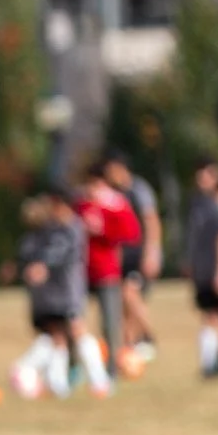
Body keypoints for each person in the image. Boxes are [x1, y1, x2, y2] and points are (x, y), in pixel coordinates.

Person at [7, 191, 109, 399]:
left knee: (77, 329)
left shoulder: (72, 228)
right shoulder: (48, 230)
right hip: (50, 292)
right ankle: (58, 384)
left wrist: (43, 265)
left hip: (68, 289)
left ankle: (99, 381)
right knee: (57, 336)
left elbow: (58, 252)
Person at [76, 162, 142, 378]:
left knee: (110, 324)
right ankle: (77, 366)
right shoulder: (81, 205)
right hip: (80, 272)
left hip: (106, 271)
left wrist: (103, 229)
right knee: (75, 322)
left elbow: (132, 233)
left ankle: (111, 370)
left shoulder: (116, 205)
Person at [103, 151, 162, 364]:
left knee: (130, 293)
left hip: (140, 254)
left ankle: (149, 337)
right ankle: (130, 348)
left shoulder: (138, 189)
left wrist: (152, 252)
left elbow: (151, 220)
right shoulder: (115, 193)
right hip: (124, 256)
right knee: (124, 305)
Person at [186, 156, 218, 379]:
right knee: (209, 314)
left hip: (216, 269)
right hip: (203, 269)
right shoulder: (197, 204)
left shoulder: (217, 204)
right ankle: (209, 363)